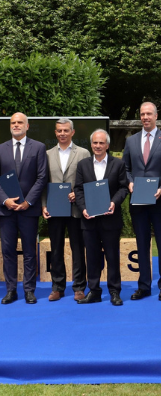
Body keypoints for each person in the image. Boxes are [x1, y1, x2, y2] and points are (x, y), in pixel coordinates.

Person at [122, 102, 161, 302]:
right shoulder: (131, 141)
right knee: (141, 243)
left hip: (160, 201)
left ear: (156, 116)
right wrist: (129, 183)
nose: (145, 117)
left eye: (148, 114)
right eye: (142, 114)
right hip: (137, 200)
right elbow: (126, 168)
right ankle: (144, 286)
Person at [74, 129, 129, 306]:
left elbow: (123, 188)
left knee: (112, 257)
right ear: (91, 145)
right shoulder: (82, 165)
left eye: (101, 143)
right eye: (95, 143)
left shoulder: (118, 164)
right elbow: (78, 189)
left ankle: (114, 292)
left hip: (110, 219)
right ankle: (94, 291)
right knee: (92, 257)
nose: (98, 146)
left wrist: (114, 202)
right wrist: (82, 208)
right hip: (89, 220)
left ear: (107, 145)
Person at [0, 112, 47, 304]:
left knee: (29, 251)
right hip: (6, 211)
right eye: (13, 123)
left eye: (20, 122)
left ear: (27, 126)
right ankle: (11, 290)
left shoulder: (38, 147)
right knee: (8, 251)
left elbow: (42, 177)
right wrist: (5, 200)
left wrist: (28, 201)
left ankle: (29, 290)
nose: (16, 125)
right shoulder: (0, 149)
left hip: (29, 210)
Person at [42, 118, 90, 302]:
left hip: (76, 209)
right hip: (54, 209)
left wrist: (78, 195)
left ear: (73, 132)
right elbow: (43, 183)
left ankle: (79, 287)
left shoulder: (83, 153)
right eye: (59, 130)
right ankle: (57, 287)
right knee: (56, 249)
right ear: (55, 133)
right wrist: (44, 205)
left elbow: (89, 179)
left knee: (78, 249)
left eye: (65, 130)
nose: (62, 133)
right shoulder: (46, 154)